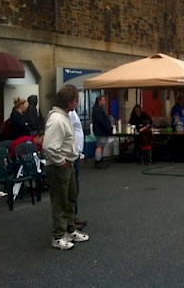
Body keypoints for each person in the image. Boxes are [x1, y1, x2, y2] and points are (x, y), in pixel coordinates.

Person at [43, 86, 89, 250]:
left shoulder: (64, 116)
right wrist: (61, 161)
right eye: (76, 100)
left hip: (67, 164)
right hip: (59, 167)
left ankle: (69, 230)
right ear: (70, 102)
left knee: (70, 199)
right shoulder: (57, 119)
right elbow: (49, 146)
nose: (77, 102)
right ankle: (58, 236)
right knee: (60, 201)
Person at [68, 95, 87, 231]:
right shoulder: (68, 114)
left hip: (75, 153)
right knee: (71, 188)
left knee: (75, 187)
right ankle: (70, 220)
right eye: (76, 100)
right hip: (72, 154)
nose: (78, 103)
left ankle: (73, 216)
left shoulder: (72, 113)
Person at [92, 95, 113, 169]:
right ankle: (97, 161)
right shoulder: (97, 110)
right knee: (100, 146)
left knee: (101, 146)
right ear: (99, 101)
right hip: (100, 131)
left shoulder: (98, 109)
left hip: (101, 130)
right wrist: (107, 126)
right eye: (103, 100)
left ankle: (100, 159)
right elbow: (101, 121)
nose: (104, 101)